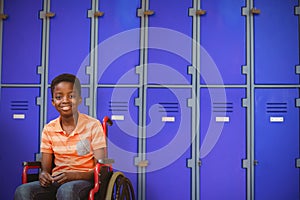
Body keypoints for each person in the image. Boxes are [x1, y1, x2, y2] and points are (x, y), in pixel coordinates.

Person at [14, 73, 107, 200]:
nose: (65, 100)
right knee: (23, 191)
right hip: (57, 180)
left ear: (79, 99)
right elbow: (45, 169)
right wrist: (44, 175)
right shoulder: (49, 129)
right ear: (53, 102)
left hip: (84, 181)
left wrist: (74, 176)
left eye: (71, 96)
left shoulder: (93, 125)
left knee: (67, 190)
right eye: (59, 97)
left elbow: (101, 169)